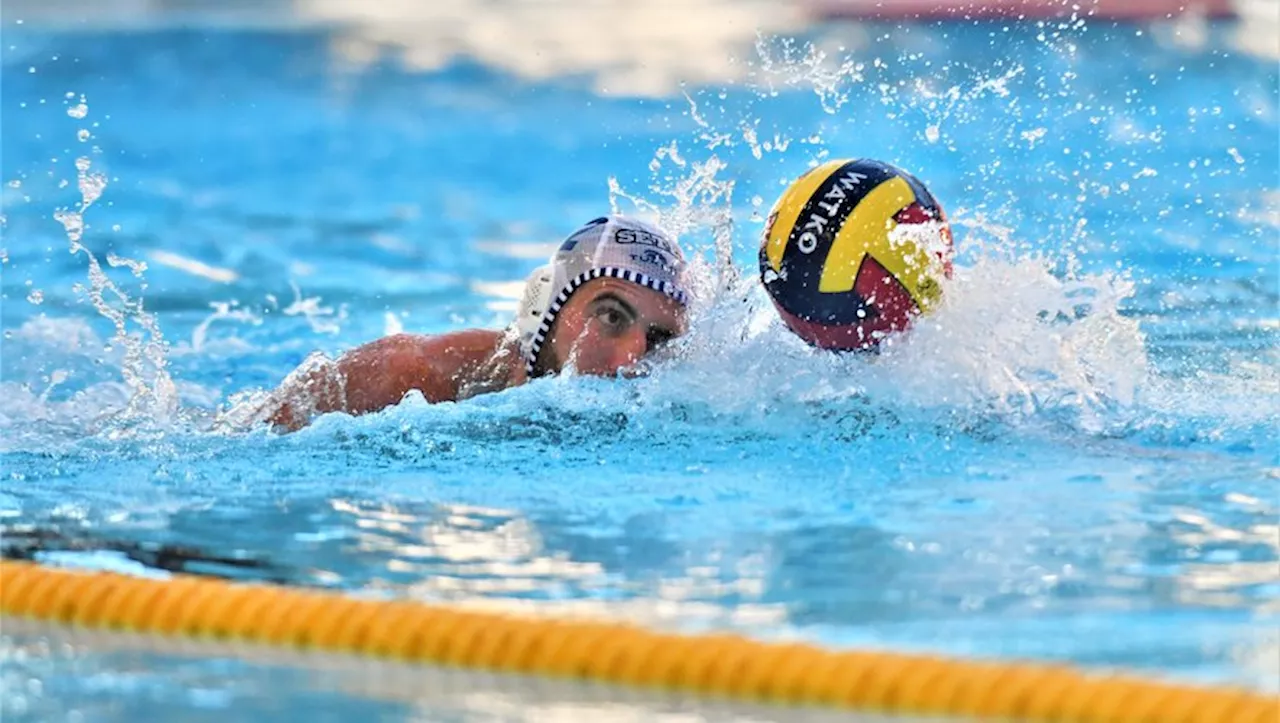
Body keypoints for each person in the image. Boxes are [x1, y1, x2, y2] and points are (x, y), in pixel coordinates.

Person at [261, 215, 691, 431]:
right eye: (611, 316)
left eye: (658, 339)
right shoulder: (410, 378)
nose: (634, 357)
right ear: (546, 310)